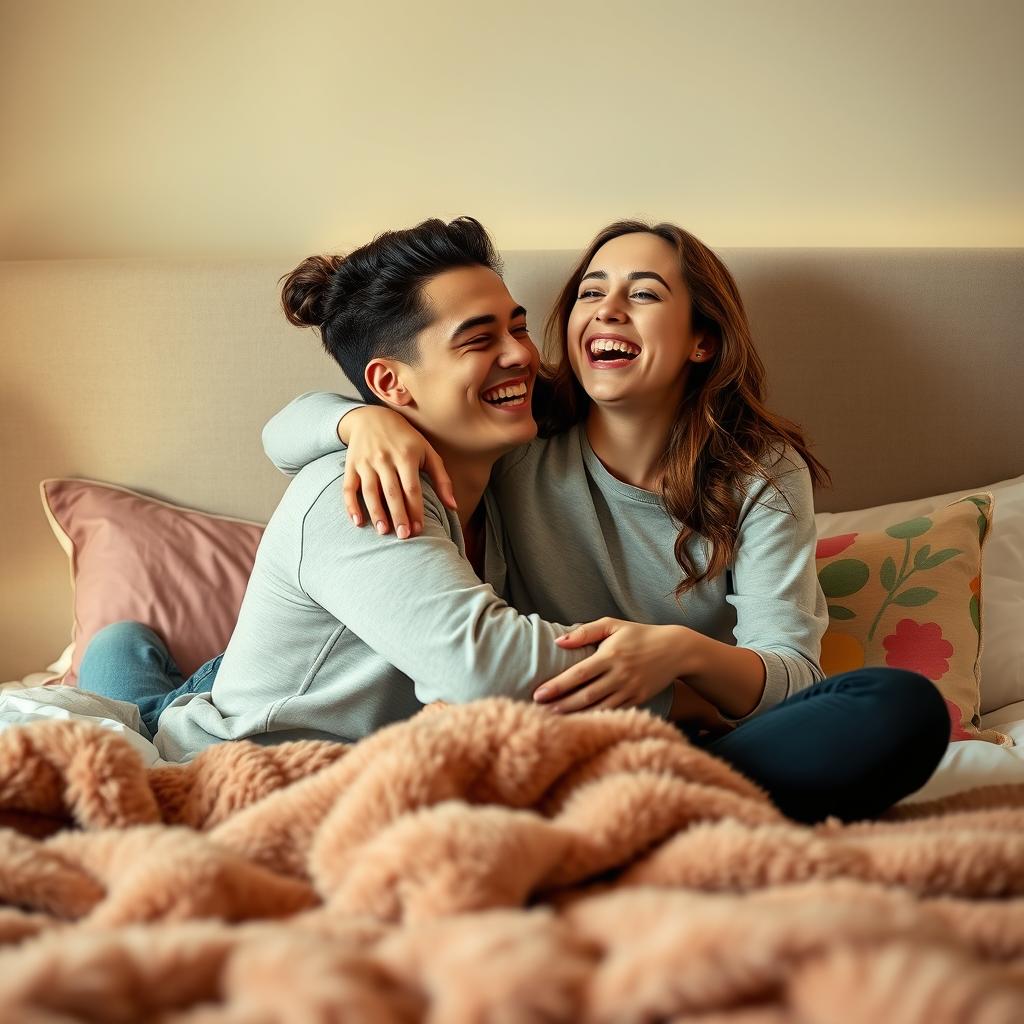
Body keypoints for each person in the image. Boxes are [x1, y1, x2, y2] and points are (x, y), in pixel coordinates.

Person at [260, 220, 951, 822]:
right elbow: (292, 434)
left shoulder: (753, 472)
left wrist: (678, 652)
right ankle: (672, 811)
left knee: (896, 707)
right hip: (577, 731)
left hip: (612, 729)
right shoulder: (510, 437)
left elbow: (793, 672)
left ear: (701, 340)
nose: (606, 311)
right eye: (591, 291)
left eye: (644, 293)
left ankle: (655, 803)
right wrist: (357, 420)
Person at [79, 216, 660, 763]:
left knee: (158, 678)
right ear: (390, 382)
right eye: (479, 340)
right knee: (136, 690)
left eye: (518, 327)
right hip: (230, 754)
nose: (522, 355)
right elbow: (483, 667)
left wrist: (356, 417)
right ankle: (130, 663)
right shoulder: (355, 491)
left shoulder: (509, 468)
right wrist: (671, 670)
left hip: (294, 702)